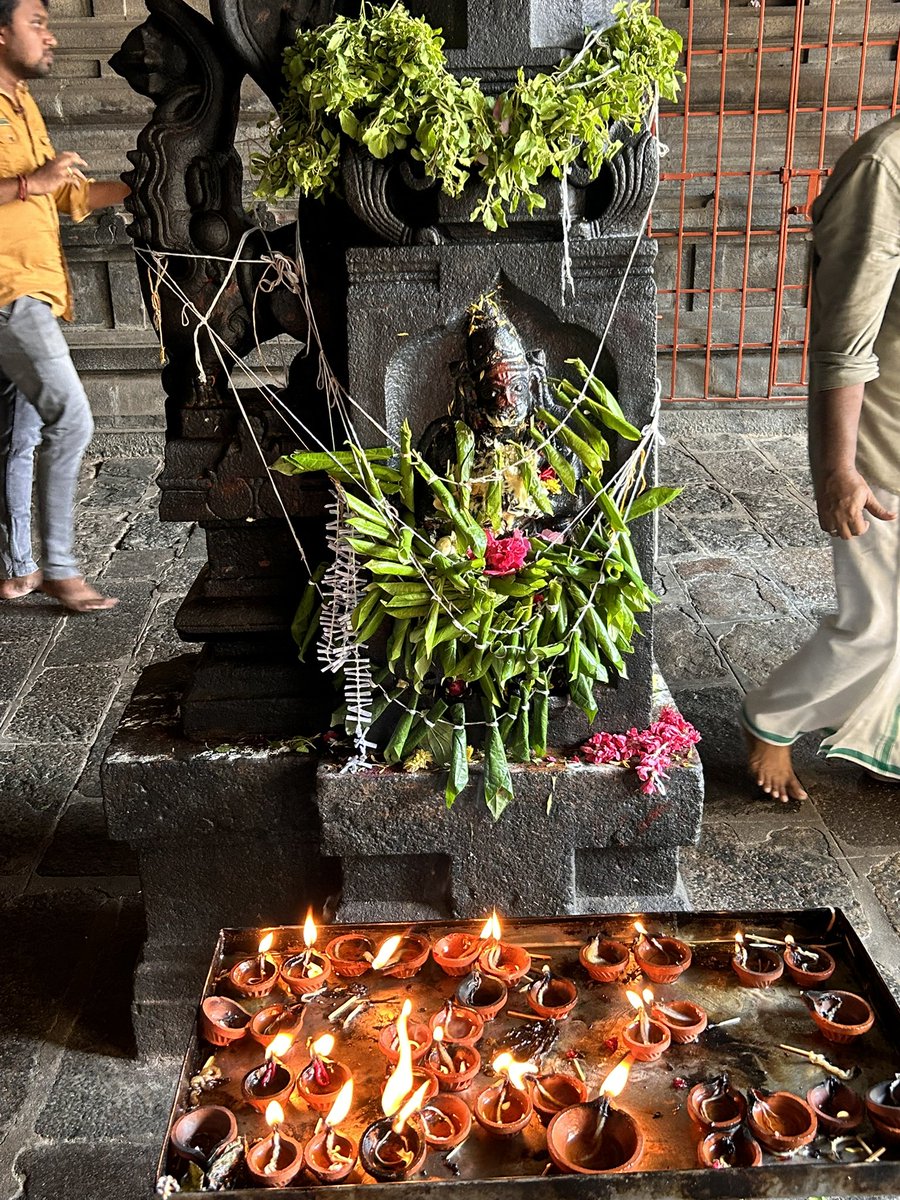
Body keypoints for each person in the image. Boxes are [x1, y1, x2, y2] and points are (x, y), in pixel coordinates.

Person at [742, 113, 900, 800]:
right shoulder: (886, 170)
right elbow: (845, 339)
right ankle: (771, 720)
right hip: (886, 431)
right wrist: (838, 468)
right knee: (882, 620)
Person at [0, 0, 129, 612]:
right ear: (1, 33)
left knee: (20, 437)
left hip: (35, 293)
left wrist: (148, 177)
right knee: (72, 419)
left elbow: (67, 194)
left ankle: (19, 568)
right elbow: (41, 187)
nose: (49, 36)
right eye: (37, 24)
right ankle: (61, 568)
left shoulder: (21, 104)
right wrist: (33, 183)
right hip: (9, 294)